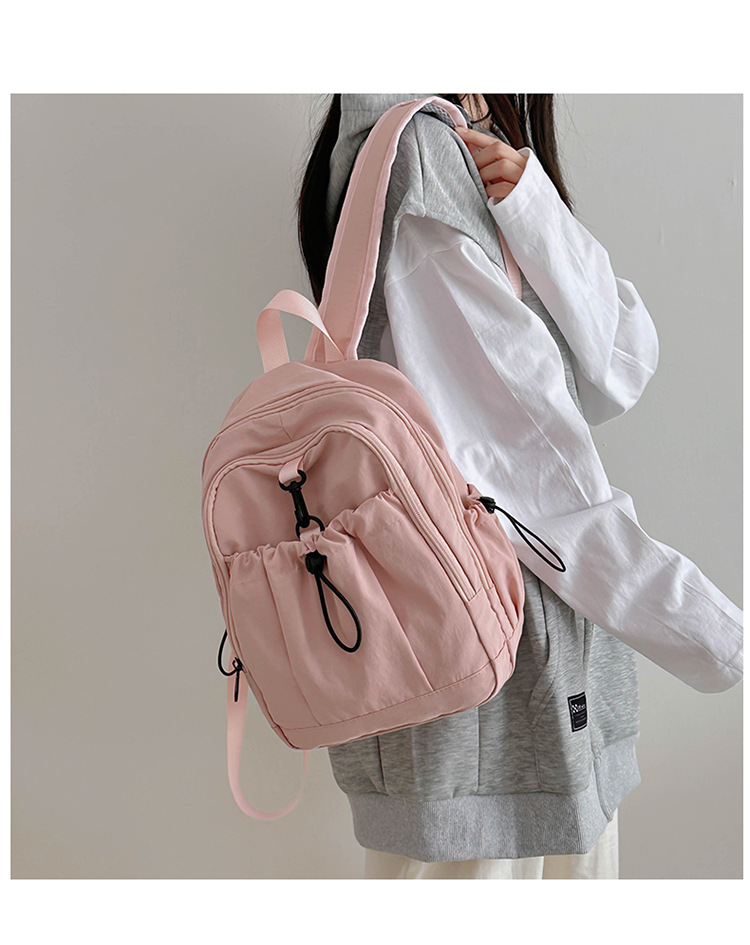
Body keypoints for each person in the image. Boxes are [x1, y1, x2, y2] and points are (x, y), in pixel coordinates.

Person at [295, 93, 743, 879]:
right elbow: (524, 467)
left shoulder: (469, 143)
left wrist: (536, 210)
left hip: (513, 654)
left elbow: (619, 365)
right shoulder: (419, 157)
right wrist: (719, 636)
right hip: (499, 670)